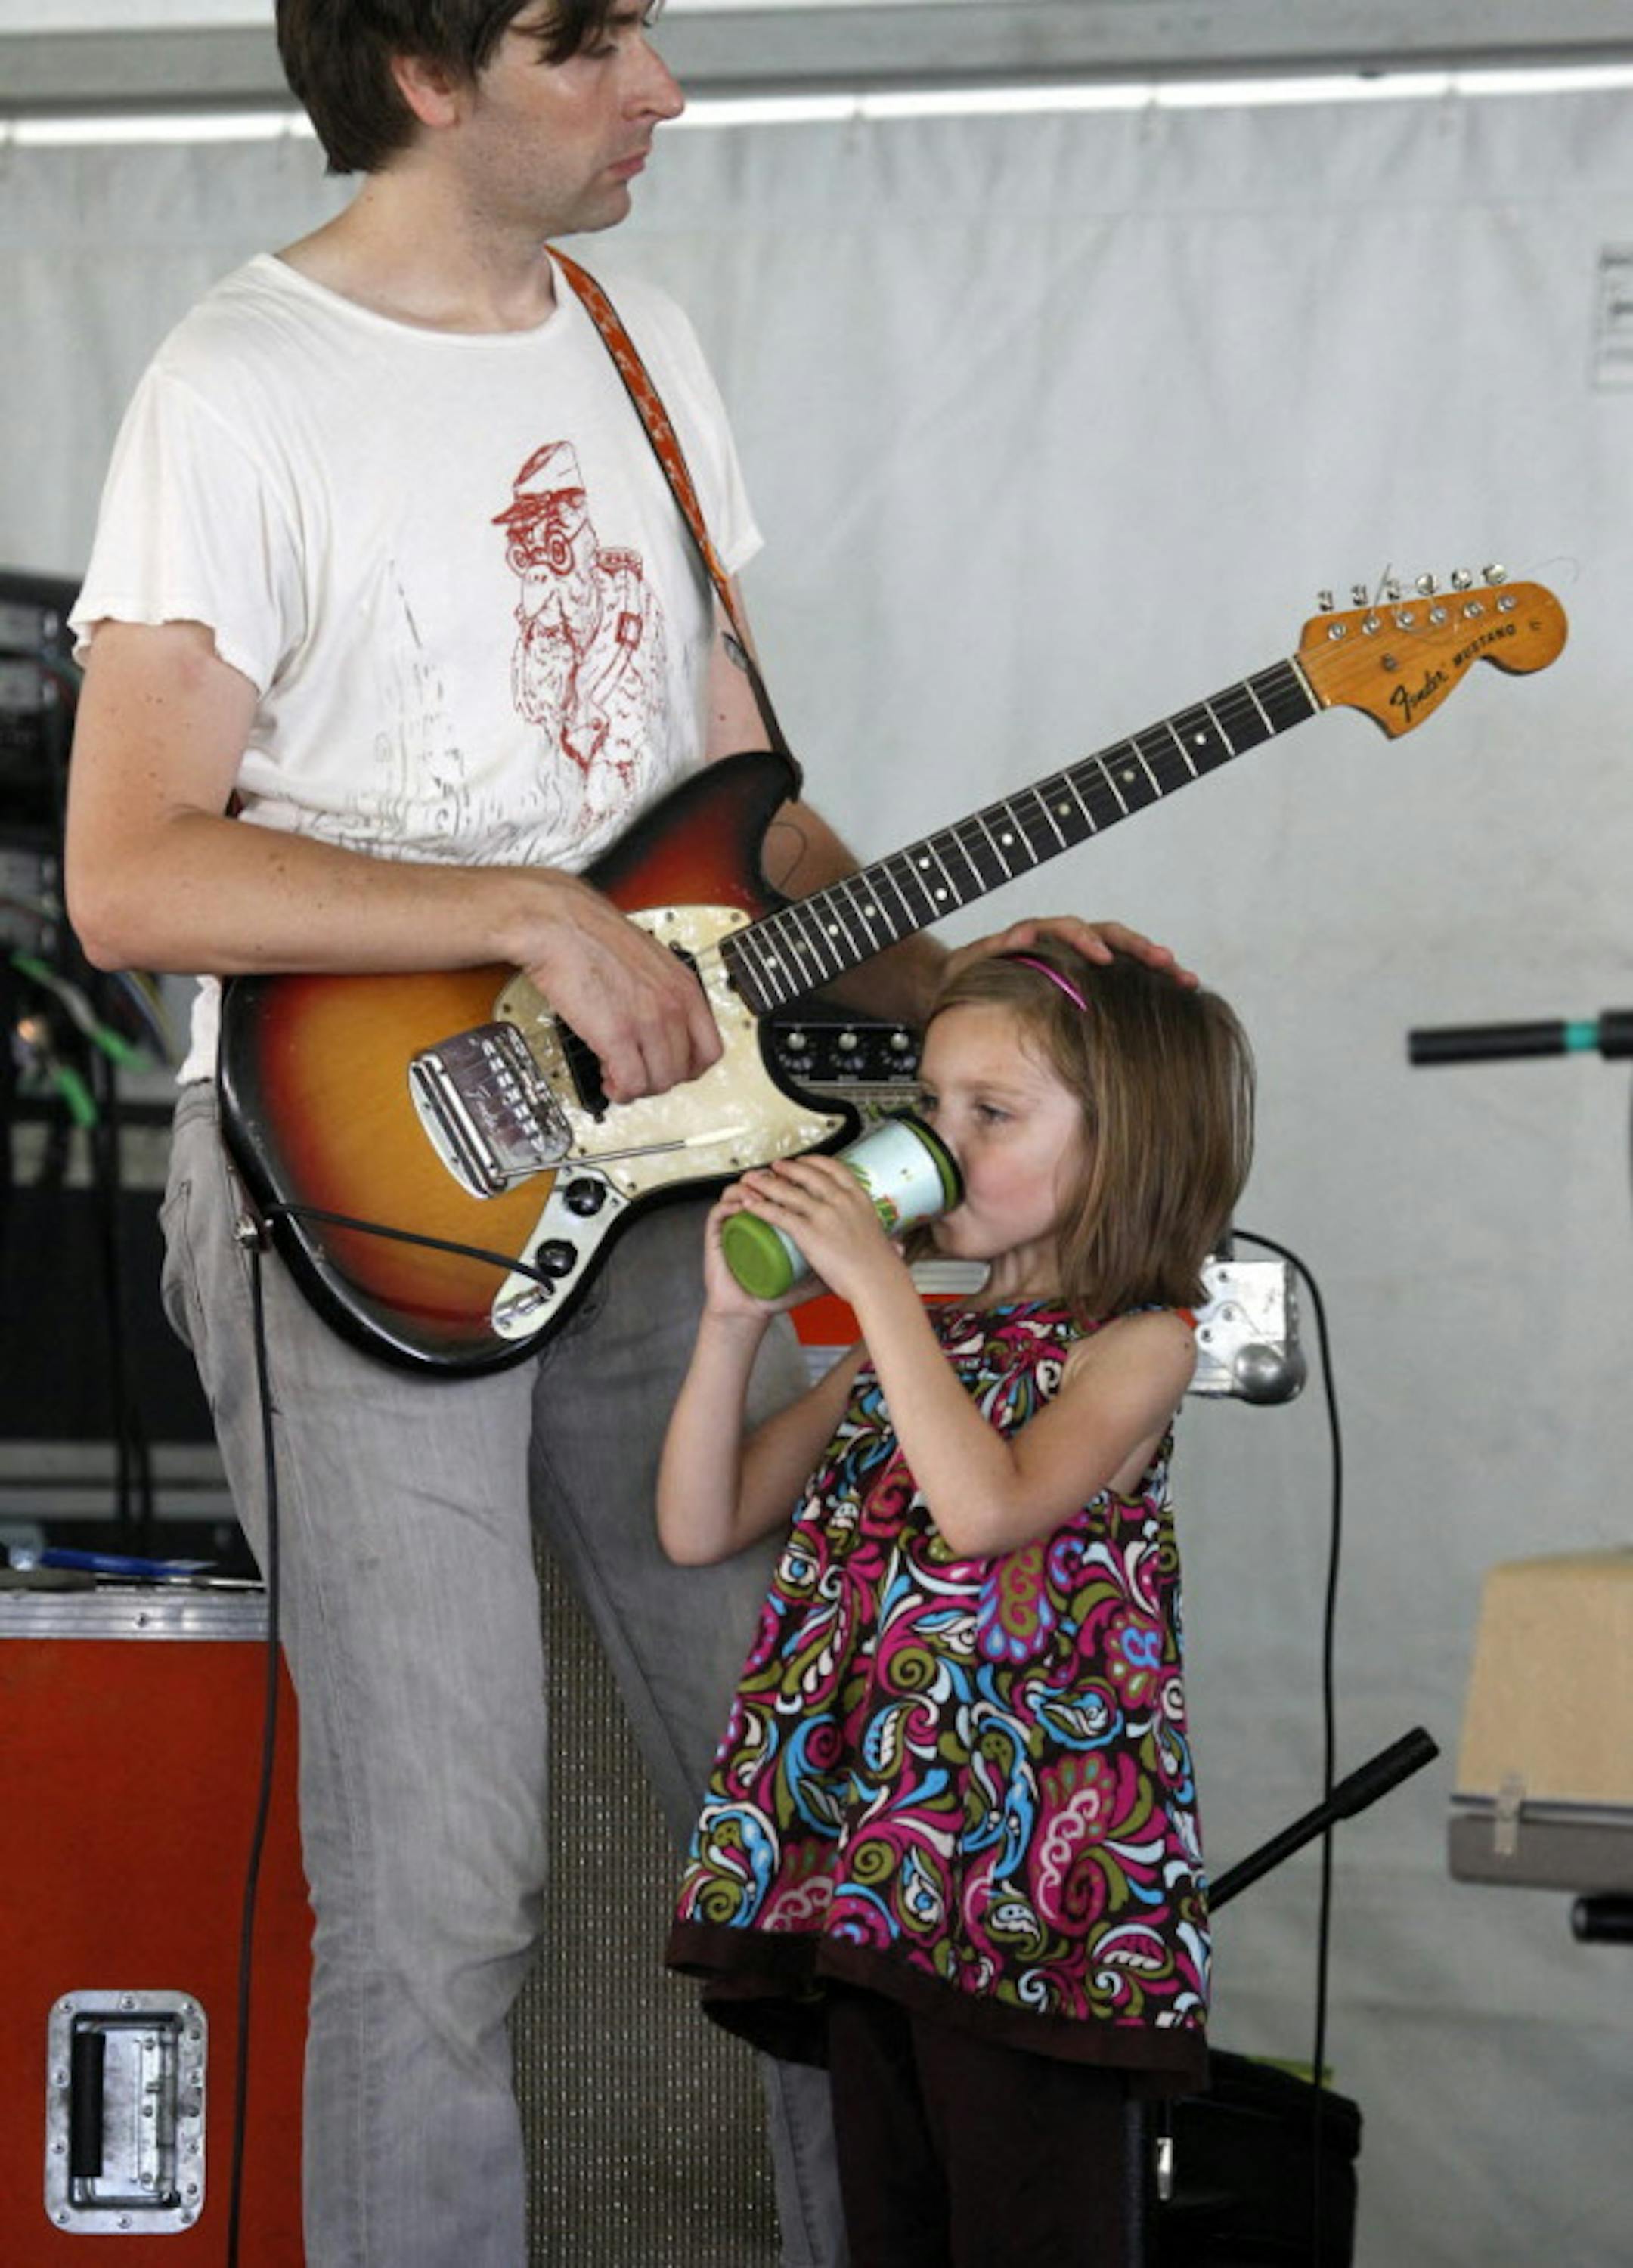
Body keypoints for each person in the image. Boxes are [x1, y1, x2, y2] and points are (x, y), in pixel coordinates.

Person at [63, 4, 1188, 2261]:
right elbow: (129, 872)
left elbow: (749, 827)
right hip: (359, 1197)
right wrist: (520, 915)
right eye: (593, 43)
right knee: (445, 1883)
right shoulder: (239, 385)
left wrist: (971, 991)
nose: (660, 90)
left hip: (670, 1169)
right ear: (423, 73)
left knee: (821, 1807)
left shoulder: (637, 340)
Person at [659, 942, 1254, 2266]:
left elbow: (989, 1510)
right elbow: (701, 1523)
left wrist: (874, 1286)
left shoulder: (1136, 1347)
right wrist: (731, 1324)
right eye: (932, 1107)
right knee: (900, 2226)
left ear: (1127, 1146)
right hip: (880, 1883)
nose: (942, 1142)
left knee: (1031, 2223)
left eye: (994, 1114)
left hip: (1029, 1899)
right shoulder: (920, 1343)